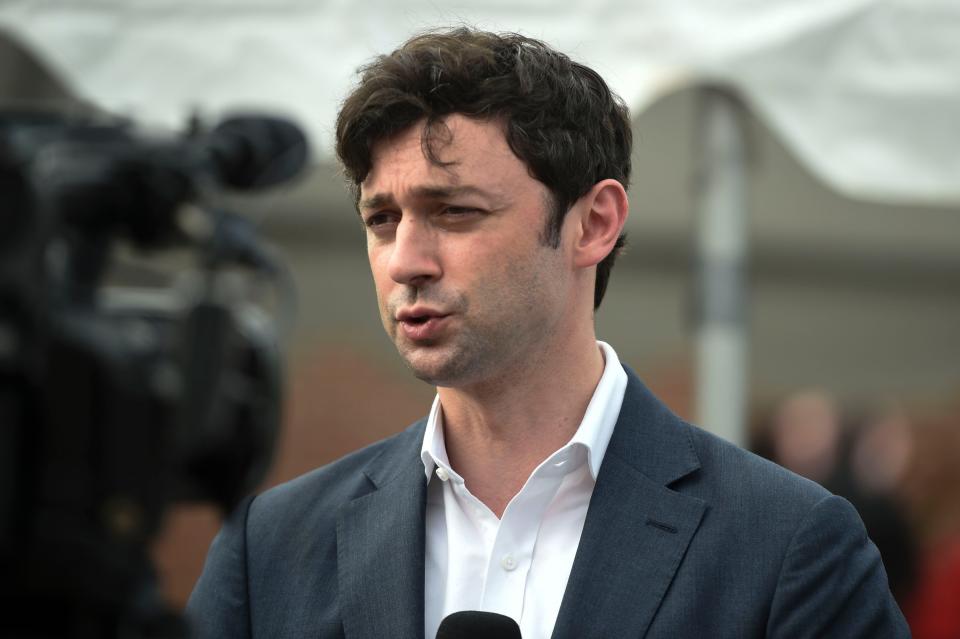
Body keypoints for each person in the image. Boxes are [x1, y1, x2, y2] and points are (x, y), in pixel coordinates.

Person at [187, 27, 909, 638]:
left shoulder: (786, 544)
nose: (405, 259)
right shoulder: (270, 550)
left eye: (455, 211)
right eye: (383, 220)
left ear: (593, 223)